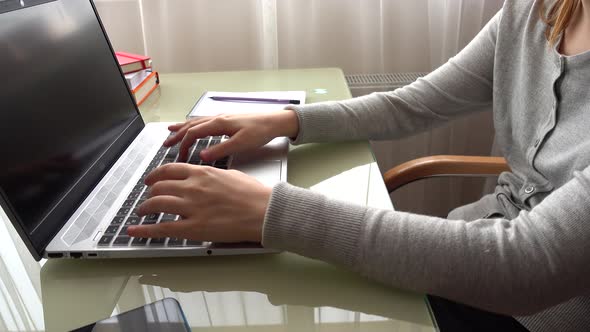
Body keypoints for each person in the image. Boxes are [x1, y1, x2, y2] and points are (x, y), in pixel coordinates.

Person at [128, 0, 590, 330]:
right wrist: (289, 121)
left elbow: (527, 266)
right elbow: (416, 104)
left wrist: (274, 213)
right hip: (475, 259)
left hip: (538, 311)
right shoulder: (535, 11)